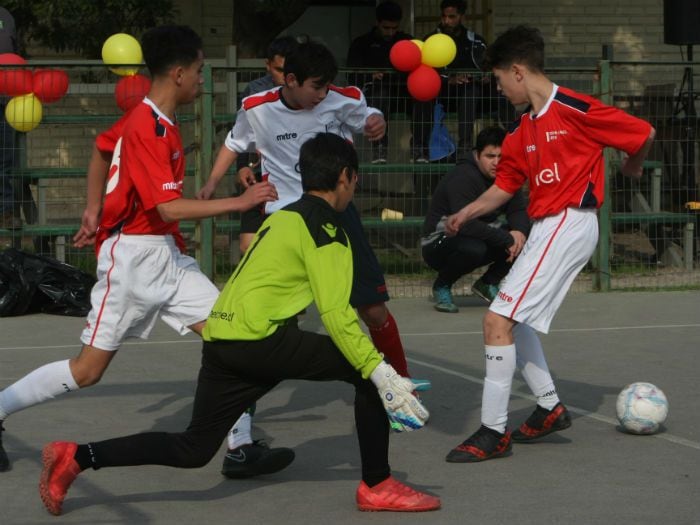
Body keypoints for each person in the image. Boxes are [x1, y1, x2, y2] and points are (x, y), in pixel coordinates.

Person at [39, 132, 440, 516]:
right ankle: (377, 484)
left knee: (194, 448)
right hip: (260, 342)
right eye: (355, 179)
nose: (354, 187)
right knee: (367, 375)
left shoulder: (282, 218)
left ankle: (77, 456)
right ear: (345, 178)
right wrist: (380, 371)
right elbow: (336, 315)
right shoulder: (328, 230)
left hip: (222, 338)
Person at [0, 25, 294, 480]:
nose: (201, 79)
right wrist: (239, 202)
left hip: (164, 255)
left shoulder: (151, 118)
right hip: (134, 261)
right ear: (178, 74)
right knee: (87, 371)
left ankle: (239, 445)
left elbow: (101, 151)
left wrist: (93, 208)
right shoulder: (148, 126)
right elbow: (168, 205)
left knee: (234, 336)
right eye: (198, 71)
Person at [443, 25, 655, 462]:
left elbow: (643, 132)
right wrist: (467, 212)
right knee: (510, 318)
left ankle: (492, 432)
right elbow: (504, 187)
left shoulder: (575, 107)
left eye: (500, 80)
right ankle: (549, 406)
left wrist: (634, 164)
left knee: (496, 321)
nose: (499, 90)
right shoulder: (521, 131)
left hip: (571, 222)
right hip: (548, 227)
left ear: (517, 72)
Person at [197, 40, 429, 390]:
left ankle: (401, 384)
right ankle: (241, 413)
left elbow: (367, 115)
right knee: (259, 315)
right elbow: (234, 143)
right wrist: (211, 183)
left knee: (372, 309)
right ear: (290, 80)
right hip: (285, 219)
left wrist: (376, 122)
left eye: (326, 86)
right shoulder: (256, 108)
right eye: (316, 86)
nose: (322, 94)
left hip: (336, 214)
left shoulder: (340, 99)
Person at [421, 126, 529, 313]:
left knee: (529, 235)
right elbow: (464, 224)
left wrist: (518, 233)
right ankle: (442, 285)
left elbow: (518, 209)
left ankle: (488, 283)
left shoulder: (509, 175)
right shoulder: (463, 176)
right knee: (473, 249)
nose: (496, 163)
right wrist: (507, 239)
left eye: (501, 157)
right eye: (490, 156)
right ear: (477, 155)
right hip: (439, 242)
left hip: (479, 234)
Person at [412, 0, 514, 162]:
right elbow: (425, 72)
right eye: (444, 16)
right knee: (422, 96)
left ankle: (467, 149)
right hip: (441, 94)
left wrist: (485, 77)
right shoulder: (431, 40)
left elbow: (489, 66)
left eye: (452, 17)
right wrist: (449, 79)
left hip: (471, 96)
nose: (447, 21)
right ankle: (420, 150)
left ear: (462, 17)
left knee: (487, 92)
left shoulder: (475, 41)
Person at [234, 35, 299, 255]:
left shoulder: (306, 89)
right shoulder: (254, 91)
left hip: (294, 177)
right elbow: (240, 132)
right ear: (268, 65)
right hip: (260, 172)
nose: (285, 76)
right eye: (279, 70)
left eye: (290, 69)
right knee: (248, 244)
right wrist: (242, 165)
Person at [346, 0, 415, 164]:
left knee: (422, 99)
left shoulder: (407, 41)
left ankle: (420, 148)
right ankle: (379, 147)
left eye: (394, 28)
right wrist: (371, 76)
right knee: (380, 94)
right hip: (376, 94)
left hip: (402, 94)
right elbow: (352, 75)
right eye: (386, 28)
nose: (390, 32)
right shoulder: (361, 43)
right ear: (377, 23)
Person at [0, 6, 19, 229]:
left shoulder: (6, 16)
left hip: (5, 101)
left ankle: (6, 212)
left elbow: (16, 53)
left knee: (4, 162)